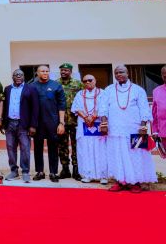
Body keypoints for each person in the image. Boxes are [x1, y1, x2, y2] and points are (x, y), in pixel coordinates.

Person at [100, 65, 156, 193]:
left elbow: (144, 109)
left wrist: (143, 126)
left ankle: (136, 182)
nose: (118, 74)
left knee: (137, 156)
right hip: (115, 130)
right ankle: (121, 181)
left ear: (127, 73)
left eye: (121, 72)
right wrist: (104, 124)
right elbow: (103, 108)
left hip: (135, 129)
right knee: (117, 155)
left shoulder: (138, 90)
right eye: (116, 73)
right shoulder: (108, 90)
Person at [2, 69, 39, 183]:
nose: (18, 76)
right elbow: (4, 106)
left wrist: (33, 125)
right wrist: (3, 123)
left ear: (24, 77)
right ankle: (14, 171)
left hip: (24, 124)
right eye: (16, 75)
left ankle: (25, 171)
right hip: (10, 123)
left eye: (20, 75)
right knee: (10, 148)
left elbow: (35, 108)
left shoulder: (31, 88)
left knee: (25, 148)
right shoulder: (7, 89)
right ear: (12, 77)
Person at [31, 65, 66, 183]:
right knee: (38, 147)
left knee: (53, 148)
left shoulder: (56, 86)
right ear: (37, 73)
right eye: (42, 71)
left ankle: (53, 172)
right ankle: (40, 171)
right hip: (37, 123)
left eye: (47, 71)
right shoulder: (32, 86)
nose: (45, 73)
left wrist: (61, 123)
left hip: (53, 122)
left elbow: (62, 105)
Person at [71, 75, 108, 184]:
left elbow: (104, 107)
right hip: (84, 124)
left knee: (100, 149)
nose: (87, 82)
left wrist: (93, 117)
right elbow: (76, 108)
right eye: (85, 81)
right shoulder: (80, 94)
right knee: (85, 149)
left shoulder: (102, 93)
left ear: (95, 81)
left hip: (98, 123)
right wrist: (86, 117)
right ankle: (88, 175)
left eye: (90, 80)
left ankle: (103, 176)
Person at [56, 63, 84, 180]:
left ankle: (76, 170)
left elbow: (84, 99)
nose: (64, 72)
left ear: (71, 72)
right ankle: (65, 169)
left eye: (66, 70)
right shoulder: (55, 84)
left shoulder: (78, 84)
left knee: (76, 145)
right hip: (61, 121)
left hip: (75, 120)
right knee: (62, 146)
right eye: (62, 70)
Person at [151, 65, 166, 141]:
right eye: (165, 76)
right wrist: (155, 131)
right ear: (162, 76)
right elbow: (154, 113)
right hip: (164, 133)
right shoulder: (156, 91)